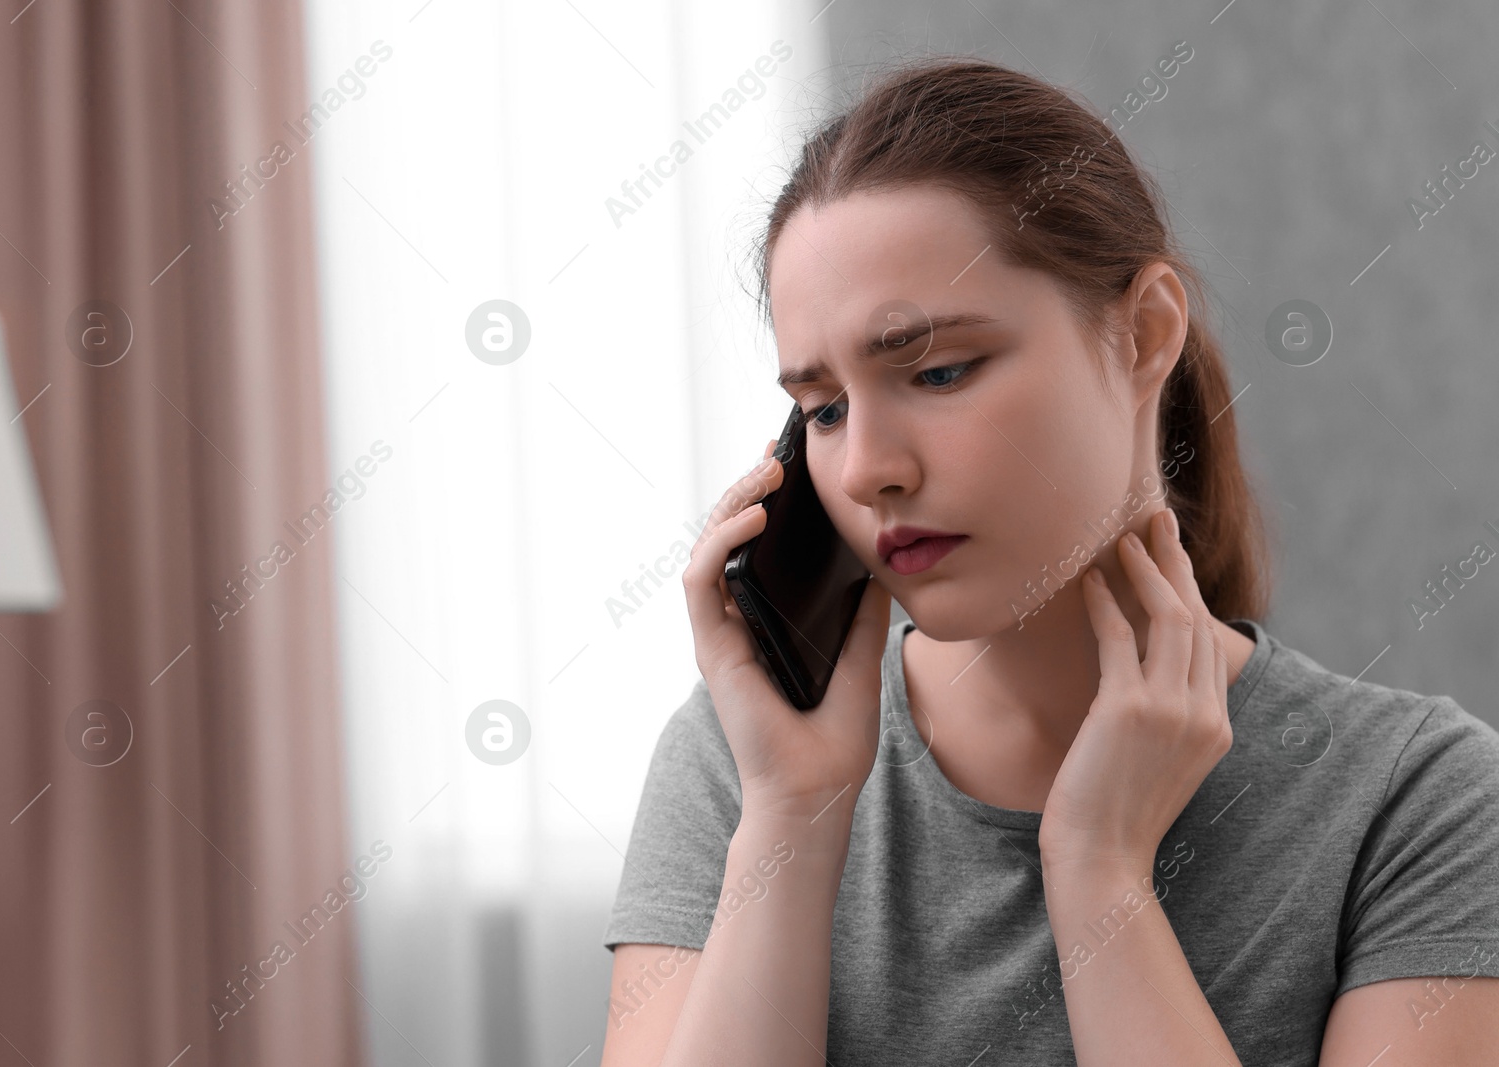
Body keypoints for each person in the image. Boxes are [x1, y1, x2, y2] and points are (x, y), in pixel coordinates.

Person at [598, 58, 1499, 1066]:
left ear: (1145, 332)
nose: (867, 470)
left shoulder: (1417, 799)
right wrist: (792, 820)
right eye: (824, 409)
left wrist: (1100, 870)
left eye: (938, 370)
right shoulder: (743, 759)